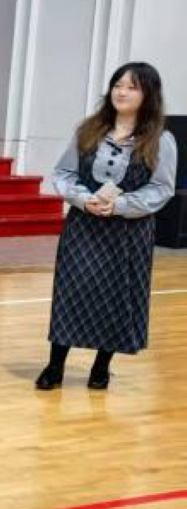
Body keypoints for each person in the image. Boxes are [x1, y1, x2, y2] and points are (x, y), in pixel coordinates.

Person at [36, 62, 178, 390]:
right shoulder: (89, 130)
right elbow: (64, 173)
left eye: (131, 87)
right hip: (84, 226)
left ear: (148, 95)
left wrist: (122, 205)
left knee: (116, 297)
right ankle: (55, 365)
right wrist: (83, 199)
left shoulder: (161, 140)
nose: (121, 92)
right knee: (71, 292)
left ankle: (101, 366)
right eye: (117, 85)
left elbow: (161, 189)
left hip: (129, 233)